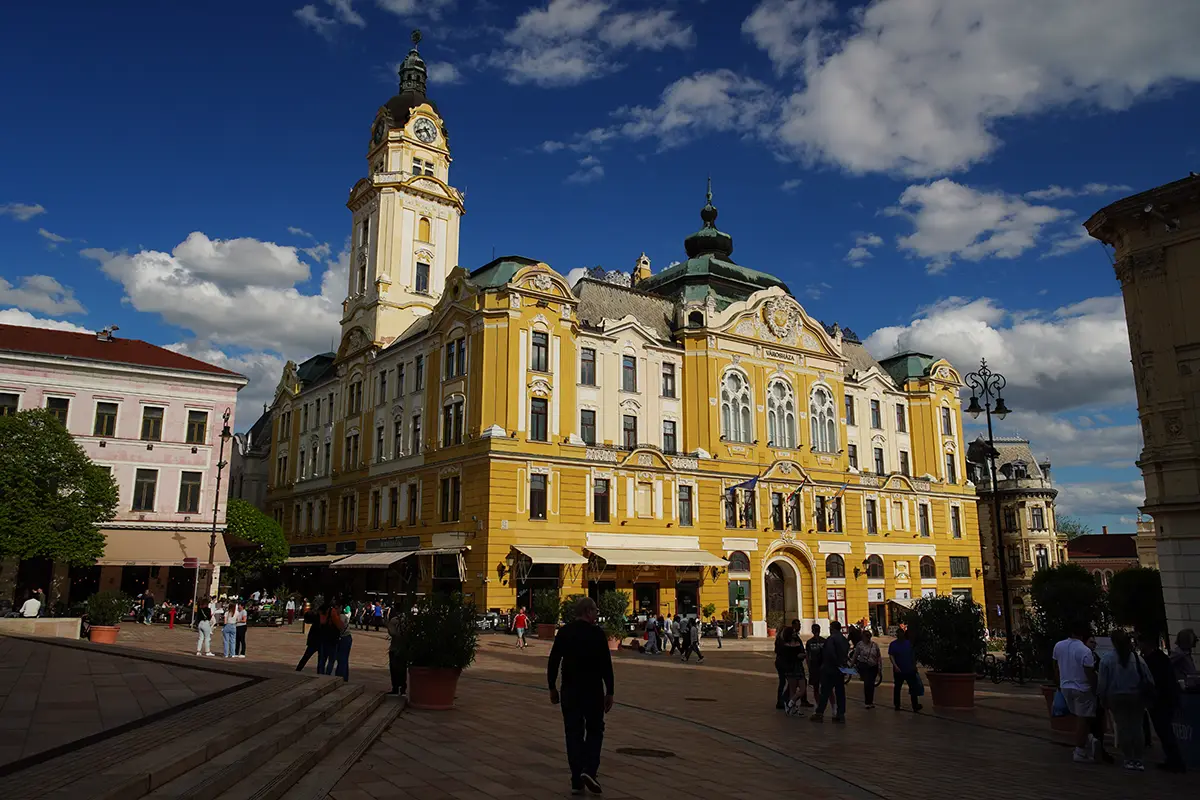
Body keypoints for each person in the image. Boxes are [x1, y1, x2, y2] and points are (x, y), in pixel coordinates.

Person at [548, 596, 614, 796]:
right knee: (595, 730)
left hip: (570, 690)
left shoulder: (565, 632)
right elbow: (606, 664)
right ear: (587, 611)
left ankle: (577, 780)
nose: (596, 614)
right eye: (595, 611)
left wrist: (552, 687)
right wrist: (610, 691)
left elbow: (553, 660)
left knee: (573, 732)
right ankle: (590, 770)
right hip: (592, 690)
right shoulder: (597, 634)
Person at [1099, 629, 1154, 771]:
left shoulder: (1107, 659)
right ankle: (1139, 759)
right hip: (1136, 696)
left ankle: (1129, 758)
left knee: (1123, 727)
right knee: (1137, 727)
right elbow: (1149, 679)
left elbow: (1103, 682)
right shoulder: (1137, 659)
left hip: (1116, 696)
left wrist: (1102, 697)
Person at [1138, 630, 1186, 773]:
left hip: (1161, 700)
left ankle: (1175, 761)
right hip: (1164, 698)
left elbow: (1155, 681)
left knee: (1164, 730)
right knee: (1164, 731)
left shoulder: (1154, 660)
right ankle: (1172, 759)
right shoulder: (1160, 658)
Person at [1053, 622, 1098, 763]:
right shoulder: (1084, 650)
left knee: (1077, 717)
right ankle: (1080, 750)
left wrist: (1059, 683)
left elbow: (1055, 666)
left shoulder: (1059, 646)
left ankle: (1086, 739)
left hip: (1065, 686)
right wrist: (1095, 688)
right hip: (1082, 688)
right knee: (1083, 719)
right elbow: (1089, 672)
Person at [1084, 635, 1115, 763]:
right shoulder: (1086, 656)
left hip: (1096, 692)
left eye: (1094, 642)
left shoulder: (1096, 657)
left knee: (1098, 719)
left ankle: (1096, 744)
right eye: (1091, 642)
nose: (1094, 644)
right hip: (1090, 692)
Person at [811, 620, 850, 722]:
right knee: (840, 692)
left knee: (825, 692)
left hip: (830, 669)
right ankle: (840, 714)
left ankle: (819, 713)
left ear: (832, 628)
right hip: (840, 670)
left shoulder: (831, 639)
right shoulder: (844, 639)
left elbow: (830, 653)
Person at [888, 627, 923, 712]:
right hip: (900, 670)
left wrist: (914, 666)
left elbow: (912, 656)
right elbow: (891, 656)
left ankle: (913, 705)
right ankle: (899, 705)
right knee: (899, 687)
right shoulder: (895, 644)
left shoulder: (908, 643)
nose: (900, 635)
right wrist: (895, 666)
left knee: (911, 687)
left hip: (908, 669)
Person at [778, 627, 805, 714]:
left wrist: (802, 656)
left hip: (799, 667)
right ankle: (792, 708)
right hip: (790, 668)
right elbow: (786, 658)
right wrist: (797, 656)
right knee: (792, 690)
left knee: (802, 689)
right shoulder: (784, 645)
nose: (795, 633)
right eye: (793, 632)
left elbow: (802, 652)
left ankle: (790, 702)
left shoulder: (798, 642)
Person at [853, 629, 881, 708]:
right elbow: (855, 655)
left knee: (871, 684)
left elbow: (878, 656)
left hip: (873, 666)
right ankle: (867, 702)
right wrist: (852, 664)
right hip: (864, 666)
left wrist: (879, 666)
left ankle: (870, 701)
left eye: (869, 636)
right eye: (866, 636)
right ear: (863, 637)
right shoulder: (860, 645)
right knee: (867, 683)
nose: (868, 638)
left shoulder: (875, 645)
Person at [386, 607, 408, 696]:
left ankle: (396, 687)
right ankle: (402, 687)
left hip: (395, 647)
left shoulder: (394, 620)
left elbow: (392, 633)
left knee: (394, 668)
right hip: (403, 648)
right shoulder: (407, 620)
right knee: (402, 668)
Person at [295, 604, 323, 672]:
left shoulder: (318, 617)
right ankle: (320, 672)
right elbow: (307, 618)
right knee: (318, 658)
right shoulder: (319, 617)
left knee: (307, 657)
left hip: (315, 640)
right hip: (317, 640)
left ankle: (298, 669)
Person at [332, 602, 353, 682]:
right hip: (346, 637)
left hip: (344, 638)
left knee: (342, 658)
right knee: (343, 659)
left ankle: (341, 676)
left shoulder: (341, 617)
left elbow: (340, 627)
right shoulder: (341, 616)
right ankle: (343, 676)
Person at [806, 623, 826, 706]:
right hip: (816, 667)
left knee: (821, 687)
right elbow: (807, 656)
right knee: (817, 687)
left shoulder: (824, 641)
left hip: (821, 667)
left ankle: (820, 704)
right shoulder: (810, 642)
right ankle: (819, 704)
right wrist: (809, 666)